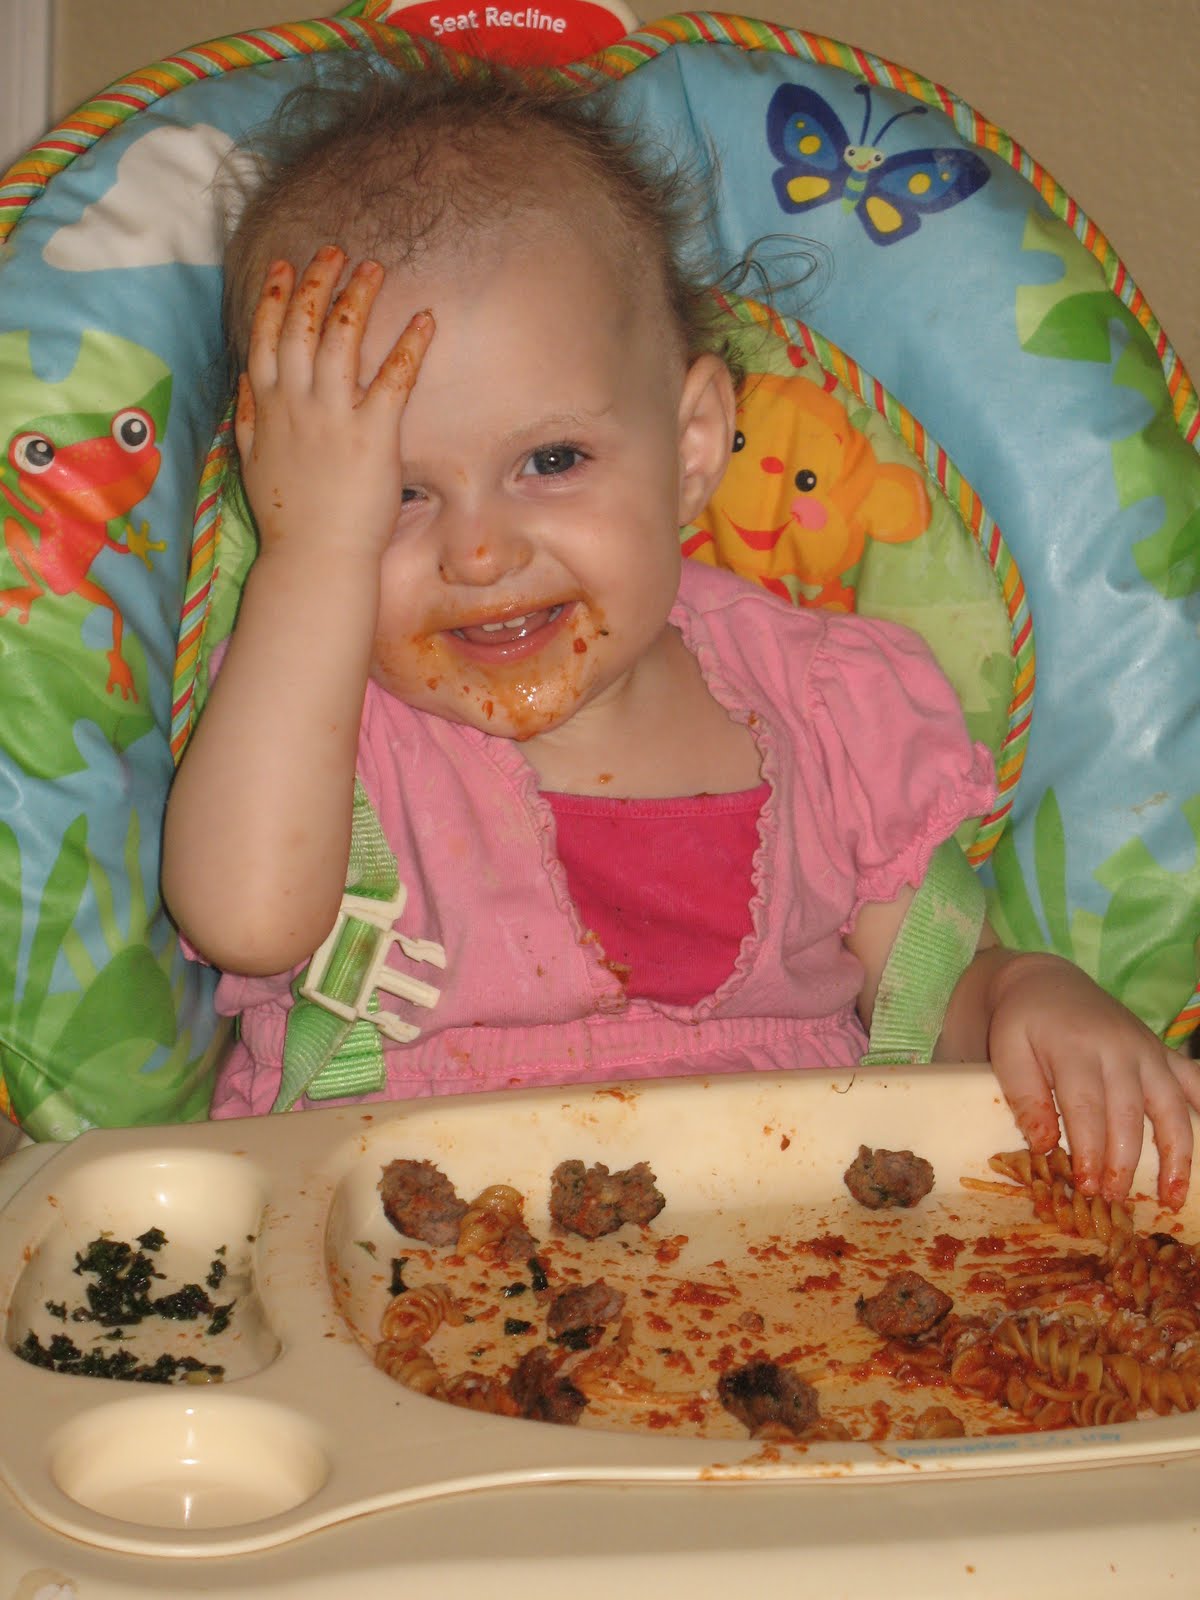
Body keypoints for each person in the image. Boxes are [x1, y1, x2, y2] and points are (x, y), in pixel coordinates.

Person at [162, 55, 1200, 1208]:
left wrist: (1022, 995)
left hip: (773, 1255)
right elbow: (249, 920)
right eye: (394, 494)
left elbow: (928, 996)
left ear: (695, 445)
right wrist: (313, 564)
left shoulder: (829, 708)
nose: (480, 552)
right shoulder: (321, 718)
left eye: (550, 461)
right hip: (390, 1260)